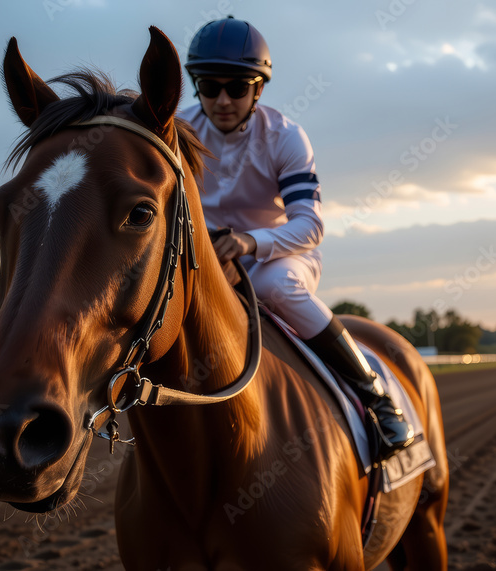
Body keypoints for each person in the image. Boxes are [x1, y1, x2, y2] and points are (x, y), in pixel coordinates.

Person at [177, 16, 414, 460]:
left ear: (258, 89)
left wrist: (249, 243)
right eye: (210, 87)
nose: (223, 100)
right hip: (206, 258)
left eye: (237, 87)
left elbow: (311, 226)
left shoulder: (286, 136)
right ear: (196, 86)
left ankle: (376, 397)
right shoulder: (178, 132)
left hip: (281, 255)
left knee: (273, 287)